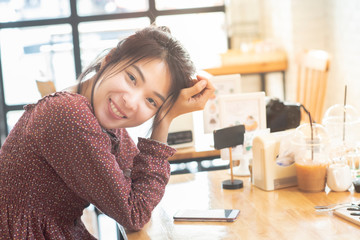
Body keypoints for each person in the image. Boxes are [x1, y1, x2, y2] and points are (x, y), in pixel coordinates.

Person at [0, 25, 214, 239]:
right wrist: (165, 118)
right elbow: (135, 213)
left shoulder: (97, 112)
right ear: (109, 60)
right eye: (132, 78)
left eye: (151, 101)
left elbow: (134, 184)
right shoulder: (70, 114)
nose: (130, 102)